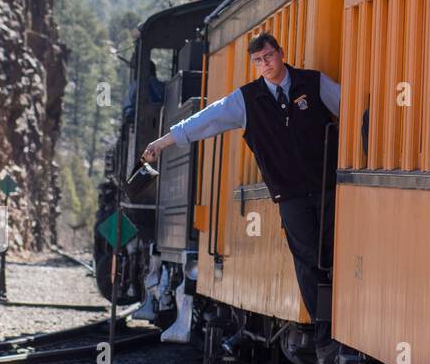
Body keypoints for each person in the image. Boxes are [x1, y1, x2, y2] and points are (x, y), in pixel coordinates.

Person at [142, 33, 340, 341]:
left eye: (269, 57)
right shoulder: (246, 100)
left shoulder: (313, 83)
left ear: (281, 53)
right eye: (258, 61)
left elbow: (351, 108)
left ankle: (343, 321)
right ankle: (325, 332)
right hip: (290, 195)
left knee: (333, 255)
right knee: (308, 259)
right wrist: (162, 142)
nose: (265, 64)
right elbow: (206, 120)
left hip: (330, 188)